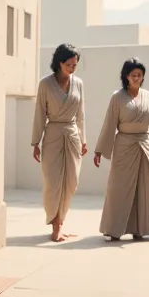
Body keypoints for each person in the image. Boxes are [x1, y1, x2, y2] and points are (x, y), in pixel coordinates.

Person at [93, 58, 149, 240]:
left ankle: (140, 228)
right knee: (119, 188)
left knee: (145, 188)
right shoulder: (117, 97)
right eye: (133, 75)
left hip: (145, 146)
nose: (137, 78)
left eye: (139, 75)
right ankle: (113, 229)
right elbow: (109, 125)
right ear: (126, 76)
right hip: (124, 146)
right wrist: (99, 150)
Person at [31, 43, 87, 242]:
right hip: (52, 134)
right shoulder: (45, 84)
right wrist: (35, 142)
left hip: (72, 135)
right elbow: (39, 113)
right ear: (59, 63)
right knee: (53, 182)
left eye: (75, 65)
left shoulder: (78, 83)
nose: (73, 68)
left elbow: (81, 114)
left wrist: (83, 139)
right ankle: (56, 226)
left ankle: (61, 221)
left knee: (71, 182)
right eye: (69, 65)